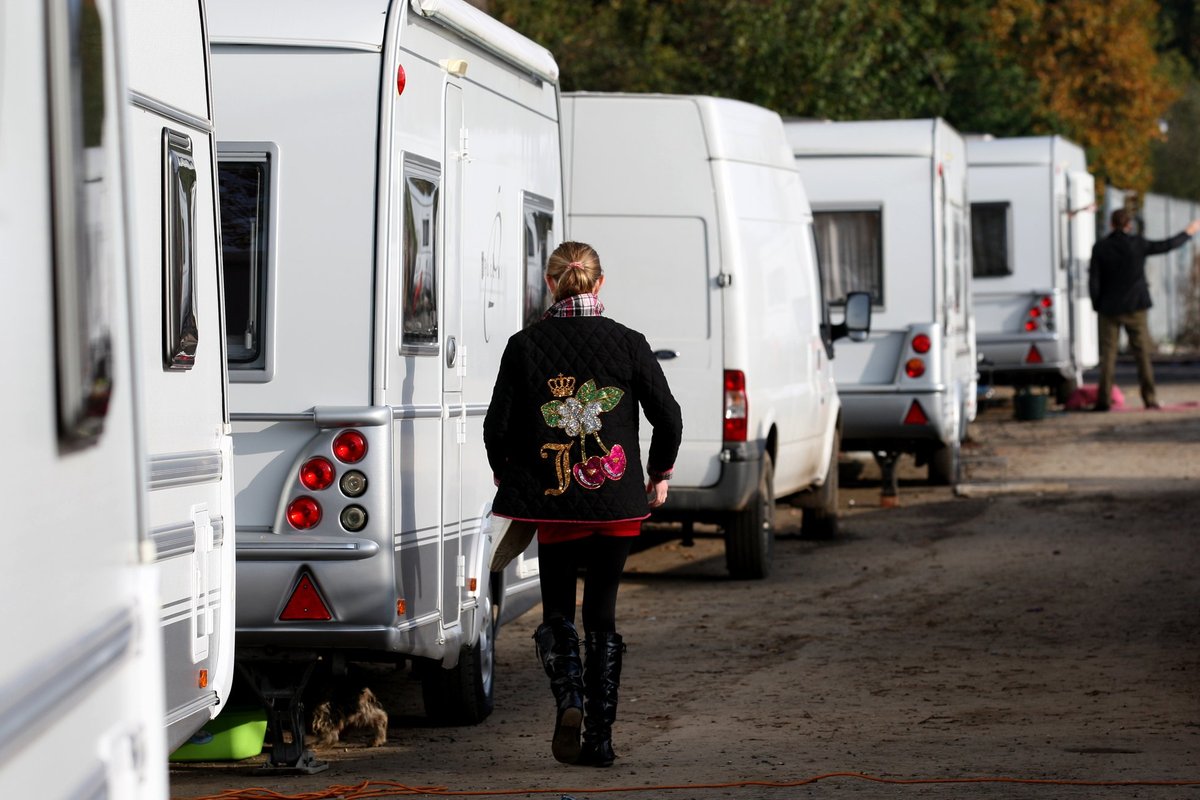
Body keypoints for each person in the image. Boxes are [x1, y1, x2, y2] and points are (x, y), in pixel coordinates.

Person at [483, 241, 682, 768]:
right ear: (599, 285)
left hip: (556, 505)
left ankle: (569, 702)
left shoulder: (524, 346)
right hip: (617, 503)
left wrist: (512, 477)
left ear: (550, 284)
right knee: (602, 615)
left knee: (557, 611)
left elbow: (495, 428)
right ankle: (601, 739)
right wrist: (658, 474)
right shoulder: (630, 342)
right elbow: (670, 416)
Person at [1089, 208, 1200, 411]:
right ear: (1129, 225)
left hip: (1109, 308)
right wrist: (1188, 232)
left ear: (1111, 224)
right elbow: (1165, 245)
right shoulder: (1137, 244)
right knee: (1142, 356)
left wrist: (1097, 305)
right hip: (1136, 307)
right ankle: (1150, 399)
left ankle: (1103, 401)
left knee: (1108, 356)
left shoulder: (1100, 247)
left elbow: (1094, 280)